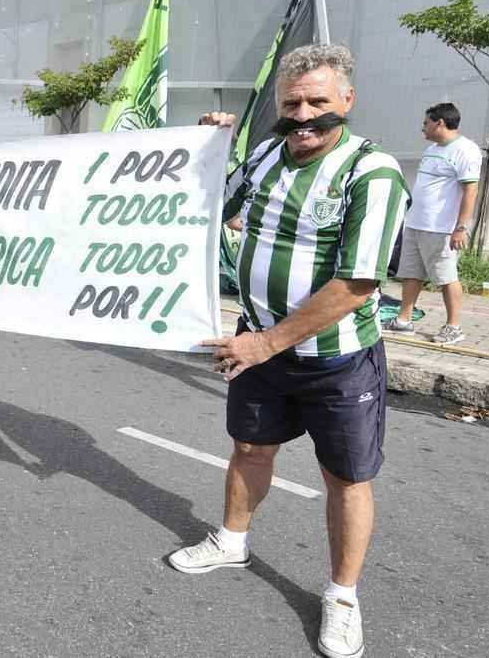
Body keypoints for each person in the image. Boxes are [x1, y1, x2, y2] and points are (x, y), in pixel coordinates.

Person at [169, 45, 409, 658]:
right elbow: (207, 207)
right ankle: (231, 541)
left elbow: (357, 284)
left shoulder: (372, 173)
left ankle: (342, 597)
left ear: (347, 101)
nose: (302, 115)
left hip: (335, 360)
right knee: (250, 448)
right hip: (259, 349)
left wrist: (265, 343)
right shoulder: (266, 155)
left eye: (317, 102)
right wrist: (209, 149)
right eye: (291, 103)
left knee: (346, 479)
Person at [382, 102, 480, 345]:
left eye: (426, 123)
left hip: (442, 229)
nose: (422, 128)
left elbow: (470, 191)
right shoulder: (432, 150)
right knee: (411, 274)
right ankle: (403, 321)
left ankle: (454, 327)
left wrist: (461, 228)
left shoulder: (466, 150)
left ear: (440, 123)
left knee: (446, 277)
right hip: (416, 224)